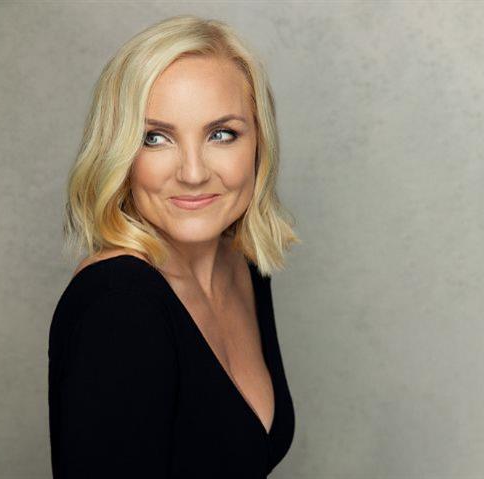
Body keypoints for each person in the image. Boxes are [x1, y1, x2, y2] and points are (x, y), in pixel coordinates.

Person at [48, 14, 301, 478]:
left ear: (259, 145)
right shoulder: (118, 305)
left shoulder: (242, 263)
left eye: (221, 134)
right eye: (156, 138)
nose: (193, 173)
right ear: (119, 154)